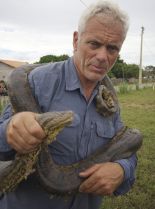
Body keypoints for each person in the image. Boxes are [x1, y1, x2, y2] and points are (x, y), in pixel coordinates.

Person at [0, 1, 137, 209]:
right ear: (76, 40)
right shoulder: (36, 83)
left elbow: (125, 149)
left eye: (112, 48)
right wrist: (9, 131)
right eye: (94, 44)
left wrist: (122, 170)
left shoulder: (110, 102)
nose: (102, 56)